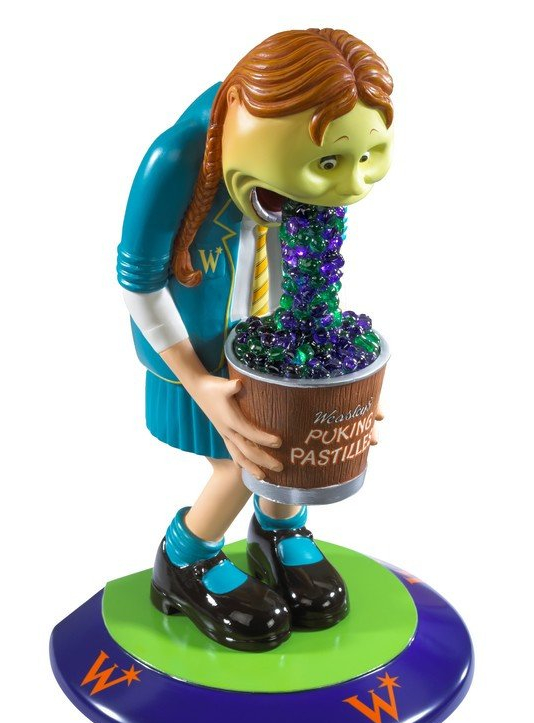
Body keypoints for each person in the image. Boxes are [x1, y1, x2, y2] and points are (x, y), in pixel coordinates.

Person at [117, 28, 394, 651]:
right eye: (331, 164)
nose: (354, 185)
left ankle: (278, 530)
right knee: (247, 459)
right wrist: (198, 382)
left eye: (368, 157)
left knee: (284, 448)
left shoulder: (279, 170)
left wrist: (336, 395)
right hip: (195, 349)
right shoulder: (175, 159)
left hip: (270, 340)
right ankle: (185, 559)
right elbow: (138, 280)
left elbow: (307, 269)